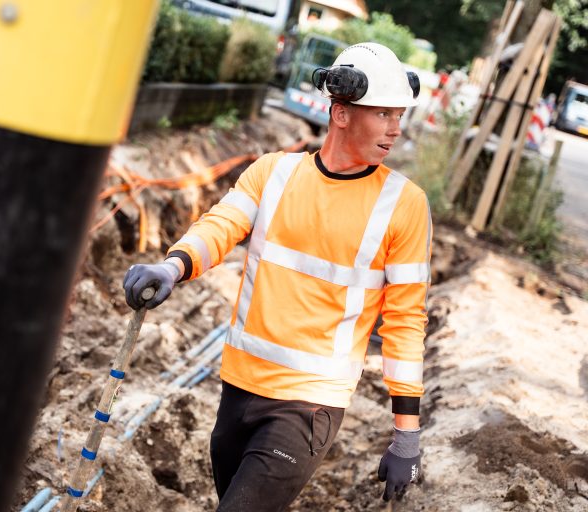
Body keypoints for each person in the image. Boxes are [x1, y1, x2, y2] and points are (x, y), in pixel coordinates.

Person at [123, 42, 431, 511]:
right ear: (342, 113)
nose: (396, 128)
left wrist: (405, 435)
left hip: (309, 406)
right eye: (384, 113)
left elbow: (406, 322)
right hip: (239, 390)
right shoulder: (274, 172)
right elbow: (221, 225)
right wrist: (173, 265)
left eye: (399, 114)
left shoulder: (404, 205)